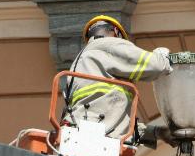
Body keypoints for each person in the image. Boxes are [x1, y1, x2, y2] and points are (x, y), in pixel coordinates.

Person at [61, 15, 176, 148]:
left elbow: (111, 118)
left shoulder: (79, 63)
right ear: (116, 31)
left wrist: (157, 133)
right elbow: (156, 66)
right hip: (99, 140)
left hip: (78, 136)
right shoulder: (110, 44)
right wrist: (162, 56)